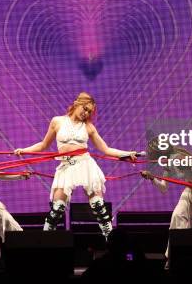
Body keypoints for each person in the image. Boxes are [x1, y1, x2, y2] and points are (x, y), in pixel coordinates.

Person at [14, 92, 137, 238]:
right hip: (66, 167)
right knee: (56, 210)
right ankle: (44, 243)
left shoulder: (89, 127)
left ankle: (112, 243)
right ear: (76, 103)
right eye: (84, 109)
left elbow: (106, 149)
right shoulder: (57, 121)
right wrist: (24, 150)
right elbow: (43, 145)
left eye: (89, 112)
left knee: (100, 209)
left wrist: (127, 154)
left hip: (85, 164)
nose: (86, 113)